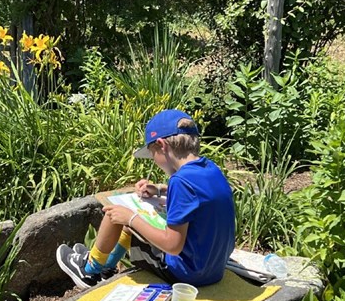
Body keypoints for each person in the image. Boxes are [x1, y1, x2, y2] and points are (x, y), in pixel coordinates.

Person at [56, 109, 235, 289]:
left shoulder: (180, 181)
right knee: (130, 217)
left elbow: (172, 245)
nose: (154, 162)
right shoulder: (210, 168)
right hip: (213, 268)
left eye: (152, 154)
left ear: (161, 145)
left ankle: (89, 268)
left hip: (188, 274)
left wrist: (131, 219)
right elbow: (201, 199)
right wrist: (158, 189)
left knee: (117, 213)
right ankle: (106, 267)